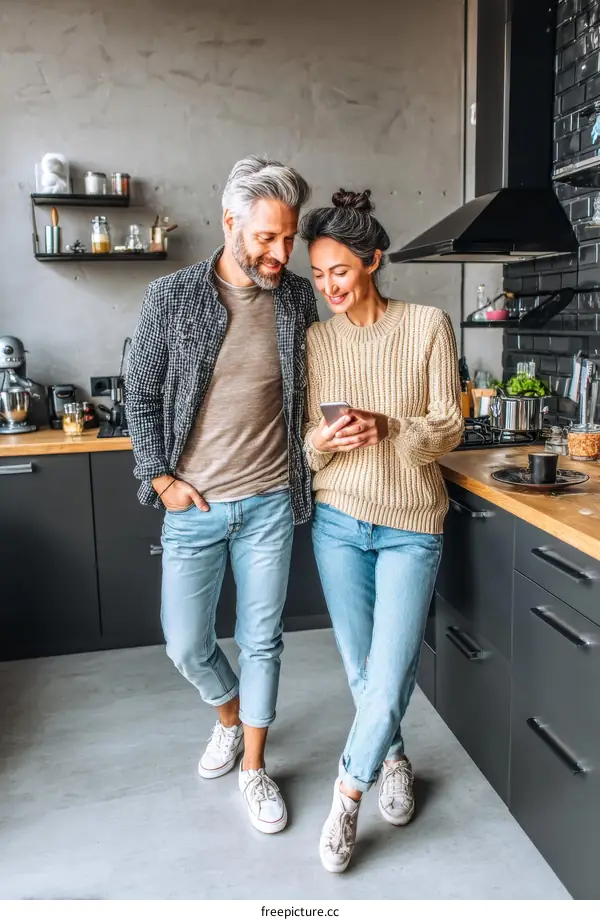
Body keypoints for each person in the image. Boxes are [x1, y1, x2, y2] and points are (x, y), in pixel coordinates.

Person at [125, 156, 318, 834]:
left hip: (269, 502)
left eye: (289, 237)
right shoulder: (171, 297)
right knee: (186, 643)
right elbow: (140, 394)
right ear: (230, 221)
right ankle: (230, 718)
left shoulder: (295, 297)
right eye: (267, 237)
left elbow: (312, 387)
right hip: (196, 505)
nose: (281, 252)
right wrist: (160, 478)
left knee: (262, 640)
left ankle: (255, 770)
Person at [300, 189, 463, 872]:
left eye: (339, 269)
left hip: (410, 525)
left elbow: (450, 427)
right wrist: (329, 437)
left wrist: (392, 427)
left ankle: (346, 796)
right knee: (364, 669)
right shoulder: (315, 340)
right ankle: (394, 759)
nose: (328, 286)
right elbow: (308, 446)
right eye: (317, 275)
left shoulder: (427, 324)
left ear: (373, 260)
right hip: (338, 520)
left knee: (391, 668)